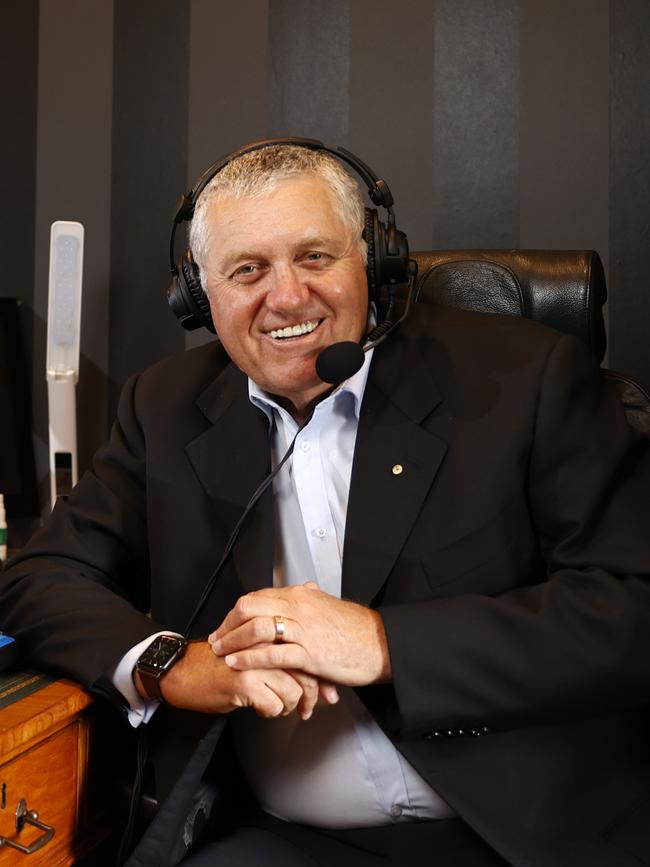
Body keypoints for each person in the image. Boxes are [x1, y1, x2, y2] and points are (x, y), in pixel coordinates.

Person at [1, 140, 650, 867]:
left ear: (372, 260)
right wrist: (175, 663)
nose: (285, 296)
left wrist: (383, 642)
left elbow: (629, 609)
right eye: (247, 270)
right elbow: (40, 576)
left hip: (516, 834)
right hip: (283, 838)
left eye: (315, 257)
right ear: (197, 296)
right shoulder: (165, 407)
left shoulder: (526, 378)